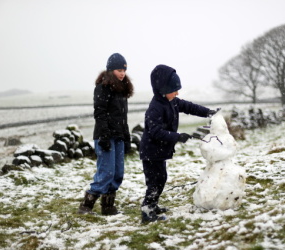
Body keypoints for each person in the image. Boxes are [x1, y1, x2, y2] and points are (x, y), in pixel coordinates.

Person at [139, 64, 218, 223]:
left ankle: (153, 205)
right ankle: (147, 211)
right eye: (174, 89)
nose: (177, 93)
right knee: (155, 181)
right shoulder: (155, 108)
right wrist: (177, 136)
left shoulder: (173, 101)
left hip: (159, 151)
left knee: (161, 178)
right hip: (151, 151)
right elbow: (155, 132)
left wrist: (207, 112)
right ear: (162, 89)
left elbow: (189, 107)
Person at [77, 53, 134, 215]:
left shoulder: (123, 90)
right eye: (118, 70)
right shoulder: (103, 88)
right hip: (105, 137)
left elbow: (123, 117)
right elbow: (100, 113)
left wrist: (126, 137)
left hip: (119, 136)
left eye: (124, 70)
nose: (122, 73)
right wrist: (104, 136)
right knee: (106, 173)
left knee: (117, 173)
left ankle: (108, 207)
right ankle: (86, 206)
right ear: (110, 70)